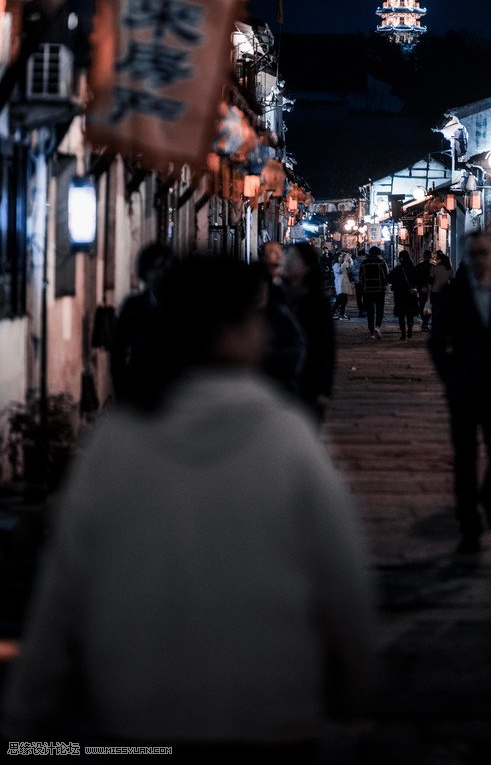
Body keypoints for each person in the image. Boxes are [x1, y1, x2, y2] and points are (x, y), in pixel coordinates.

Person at [0, 254, 378, 753]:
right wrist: (357, 686)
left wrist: (25, 714)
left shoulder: (117, 442)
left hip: (137, 717)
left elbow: (64, 585)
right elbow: (343, 578)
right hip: (270, 715)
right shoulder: (287, 438)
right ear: (236, 330)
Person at [428, 231, 491, 552]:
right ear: (465, 257)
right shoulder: (452, 295)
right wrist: (451, 377)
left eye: (484, 253)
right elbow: (437, 342)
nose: (479, 259)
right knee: (465, 458)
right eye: (473, 254)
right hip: (464, 390)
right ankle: (469, 523)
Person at [108, 240, 174, 405]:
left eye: (166, 269)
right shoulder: (133, 306)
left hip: (174, 392)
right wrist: (121, 389)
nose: (161, 274)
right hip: (140, 387)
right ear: (145, 272)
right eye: (156, 269)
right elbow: (118, 350)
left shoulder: (179, 308)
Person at [283, 242, 337, 425]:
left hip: (309, 377)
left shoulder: (317, 301)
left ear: (306, 265)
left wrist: (324, 389)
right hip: (281, 378)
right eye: (287, 259)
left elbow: (326, 346)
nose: (287, 263)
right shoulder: (278, 295)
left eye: (293, 260)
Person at [257, 240, 307, 399]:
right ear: (264, 257)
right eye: (272, 251)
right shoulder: (259, 279)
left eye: (280, 251)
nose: (278, 254)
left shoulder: (289, 282)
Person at [389, 248, 419, 340]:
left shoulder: (398, 269)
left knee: (401, 315)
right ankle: (410, 328)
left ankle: (403, 334)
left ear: (401, 258)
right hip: (411, 294)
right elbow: (418, 280)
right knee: (410, 313)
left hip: (400, 294)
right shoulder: (414, 268)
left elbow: (389, 278)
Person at [361, 246, 389, 341]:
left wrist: (363, 287)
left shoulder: (364, 263)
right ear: (378, 253)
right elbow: (385, 276)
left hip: (368, 291)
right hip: (379, 290)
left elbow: (361, 277)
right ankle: (377, 326)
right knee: (380, 309)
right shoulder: (381, 263)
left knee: (370, 311)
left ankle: (371, 332)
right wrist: (385, 285)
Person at [429, 249, 455, 328]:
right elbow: (453, 281)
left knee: (435, 310)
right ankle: (444, 326)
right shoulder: (449, 269)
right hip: (445, 292)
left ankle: (435, 325)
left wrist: (428, 291)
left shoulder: (434, 268)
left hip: (435, 291)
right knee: (445, 309)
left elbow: (430, 280)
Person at [413, 250, 434, 331]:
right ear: (430, 256)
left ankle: (424, 322)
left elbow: (415, 278)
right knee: (428, 305)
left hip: (421, 289)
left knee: (422, 305)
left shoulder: (419, 266)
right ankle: (425, 323)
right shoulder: (433, 266)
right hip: (430, 289)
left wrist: (419, 287)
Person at [332, 251, 354, 320]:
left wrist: (349, 258)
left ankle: (342, 314)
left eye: (342, 257)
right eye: (340, 257)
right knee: (339, 301)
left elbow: (350, 266)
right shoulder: (336, 265)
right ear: (337, 258)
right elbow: (340, 270)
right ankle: (331, 314)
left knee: (344, 301)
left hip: (345, 284)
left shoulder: (343, 264)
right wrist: (344, 262)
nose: (341, 258)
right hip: (340, 285)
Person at [351, 248, 367, 316]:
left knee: (365, 297)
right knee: (359, 297)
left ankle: (364, 310)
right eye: (361, 256)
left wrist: (358, 271)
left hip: (365, 282)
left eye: (363, 256)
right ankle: (361, 310)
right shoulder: (356, 261)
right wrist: (359, 271)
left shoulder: (366, 261)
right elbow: (353, 271)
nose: (362, 258)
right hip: (358, 282)